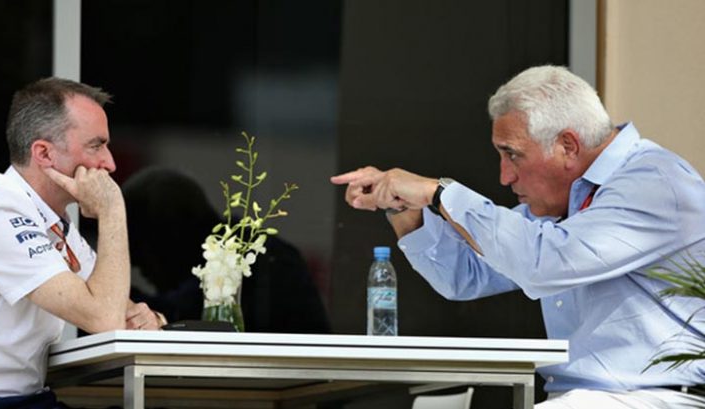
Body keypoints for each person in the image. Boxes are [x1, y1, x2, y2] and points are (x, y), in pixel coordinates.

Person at [331, 65, 705, 408]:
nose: (504, 176)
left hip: (656, 398)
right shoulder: (568, 200)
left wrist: (439, 192)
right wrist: (402, 208)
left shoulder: (653, 181)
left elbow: (546, 263)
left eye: (512, 155)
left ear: (568, 146)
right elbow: (464, 275)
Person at [0, 78, 164, 407]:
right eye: (96, 146)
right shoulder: (0, 214)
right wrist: (112, 211)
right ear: (44, 153)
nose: (110, 164)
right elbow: (104, 319)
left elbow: (118, 312)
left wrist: (152, 319)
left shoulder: (50, 220)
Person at [122, 167, 331, 334]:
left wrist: (116, 293)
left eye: (141, 256)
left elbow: (182, 316)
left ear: (167, 236)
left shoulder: (240, 253)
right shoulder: (244, 245)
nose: (143, 271)